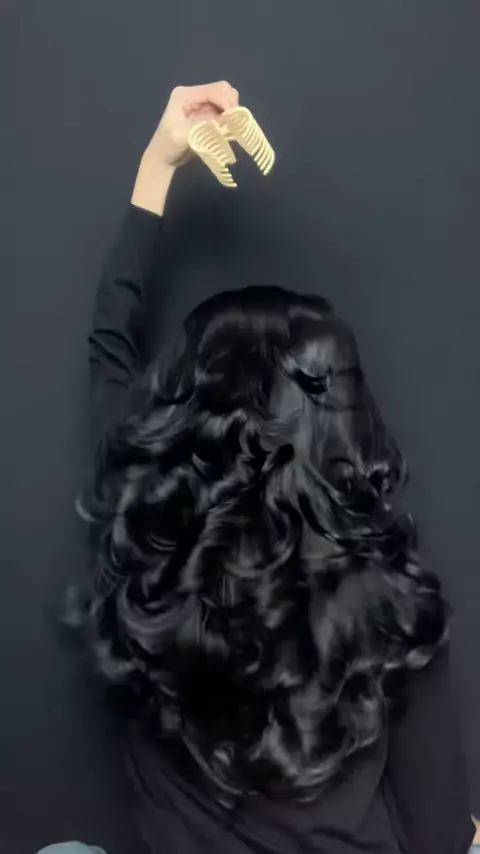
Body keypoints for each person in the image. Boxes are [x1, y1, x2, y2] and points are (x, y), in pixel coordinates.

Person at [73, 82, 475, 854]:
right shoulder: (392, 609)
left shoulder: (142, 547)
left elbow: (109, 351)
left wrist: (158, 164)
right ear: (344, 425)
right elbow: (440, 837)